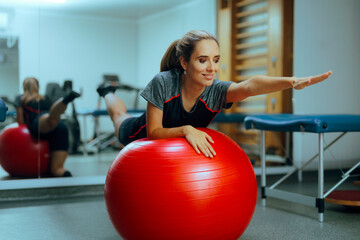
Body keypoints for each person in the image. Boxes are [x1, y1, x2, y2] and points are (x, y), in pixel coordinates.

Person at [97, 30, 332, 158]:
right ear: (184, 62)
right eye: (203, 60)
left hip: (172, 151)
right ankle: (108, 92)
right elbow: (154, 132)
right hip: (137, 133)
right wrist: (188, 129)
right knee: (119, 117)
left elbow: (250, 86)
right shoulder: (164, 82)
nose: (212, 68)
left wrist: (291, 81)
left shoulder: (216, 91)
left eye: (216, 60)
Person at [14, 77, 80, 177]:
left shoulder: (20, 98)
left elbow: (20, 121)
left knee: (48, 120)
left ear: (24, 87)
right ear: (38, 86)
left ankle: (56, 112)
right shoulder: (45, 97)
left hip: (38, 123)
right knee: (57, 168)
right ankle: (63, 102)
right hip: (61, 127)